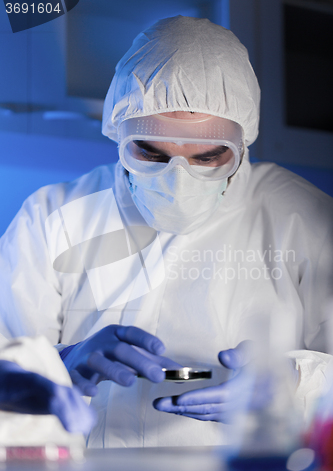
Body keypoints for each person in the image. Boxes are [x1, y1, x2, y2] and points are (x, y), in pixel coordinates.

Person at [0, 15, 332, 447]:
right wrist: (57, 364)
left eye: (209, 156)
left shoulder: (303, 218)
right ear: (117, 132)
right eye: (150, 152)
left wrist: (296, 383)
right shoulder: (54, 215)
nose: (178, 181)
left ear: (242, 143)